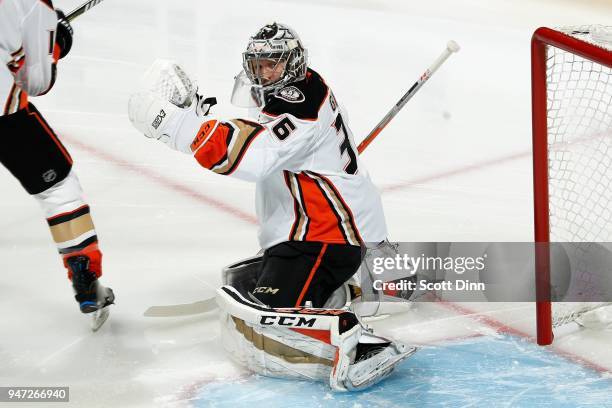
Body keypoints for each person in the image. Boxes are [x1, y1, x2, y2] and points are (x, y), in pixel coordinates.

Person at [128, 22, 414, 390]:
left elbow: (252, 156)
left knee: (259, 323)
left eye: (272, 64)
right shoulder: (297, 91)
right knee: (241, 281)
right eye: (257, 64)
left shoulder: (302, 103)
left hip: (325, 237)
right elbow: (255, 128)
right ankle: (347, 287)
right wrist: (200, 117)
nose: (263, 73)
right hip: (318, 231)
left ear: (292, 64)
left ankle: (356, 343)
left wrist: (179, 126)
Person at [0, 0, 114, 328]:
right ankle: (85, 279)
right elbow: (37, 81)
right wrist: (56, 43)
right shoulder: (34, 6)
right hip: (6, 121)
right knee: (59, 190)